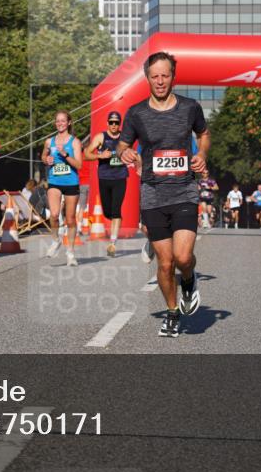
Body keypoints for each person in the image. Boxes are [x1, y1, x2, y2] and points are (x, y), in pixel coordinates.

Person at [118, 52, 209, 338]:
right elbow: (122, 144)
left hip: (184, 191)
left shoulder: (190, 108)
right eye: (154, 76)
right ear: (147, 77)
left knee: (183, 258)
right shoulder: (136, 113)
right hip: (153, 194)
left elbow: (203, 134)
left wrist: (202, 154)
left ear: (173, 77)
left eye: (165, 75)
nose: (160, 81)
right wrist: (126, 152)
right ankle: (171, 311)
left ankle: (190, 280)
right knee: (165, 262)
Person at [84, 110, 129, 257]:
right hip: (104, 177)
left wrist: (133, 158)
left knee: (116, 210)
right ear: (108, 123)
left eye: (117, 122)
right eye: (111, 122)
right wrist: (100, 155)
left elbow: (132, 152)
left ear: (119, 123)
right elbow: (86, 153)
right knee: (107, 212)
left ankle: (112, 243)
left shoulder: (125, 137)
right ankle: (114, 223)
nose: (114, 125)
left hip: (120, 177)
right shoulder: (101, 137)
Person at [41, 111, 83, 266]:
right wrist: (47, 159)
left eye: (63, 121)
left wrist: (65, 155)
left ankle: (70, 252)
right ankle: (56, 240)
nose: (60, 123)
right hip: (54, 181)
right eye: (57, 121)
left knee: (70, 219)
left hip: (71, 182)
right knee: (54, 214)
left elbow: (79, 165)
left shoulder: (75, 142)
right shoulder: (49, 141)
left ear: (69, 123)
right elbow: (43, 157)